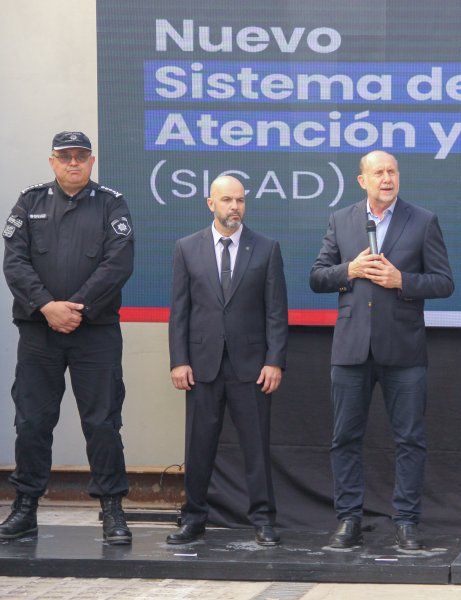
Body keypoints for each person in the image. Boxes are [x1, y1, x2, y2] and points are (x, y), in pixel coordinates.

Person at [310, 150, 453, 550]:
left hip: (404, 350)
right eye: (378, 172)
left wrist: (401, 279)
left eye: (392, 171)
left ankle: (406, 522)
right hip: (352, 348)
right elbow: (318, 277)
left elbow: (444, 282)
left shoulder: (423, 220)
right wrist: (349, 271)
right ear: (362, 181)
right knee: (345, 438)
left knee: (410, 439)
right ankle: (349, 520)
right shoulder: (341, 220)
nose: (387, 178)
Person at [1, 131, 134, 544]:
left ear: (91, 162)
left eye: (80, 157)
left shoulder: (112, 203)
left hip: (94, 333)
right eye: (65, 157)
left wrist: (74, 308)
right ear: (52, 161)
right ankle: (25, 509)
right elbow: (15, 262)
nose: (72, 163)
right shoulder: (30, 201)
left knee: (103, 422)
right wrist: (47, 307)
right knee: (33, 422)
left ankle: (112, 510)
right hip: (40, 332)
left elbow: (118, 265)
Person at [166, 175, 288, 546]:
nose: (234, 207)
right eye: (226, 200)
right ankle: (194, 519)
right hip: (201, 366)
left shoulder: (266, 248)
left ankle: (263, 521)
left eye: (239, 200)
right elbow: (180, 312)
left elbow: (276, 312)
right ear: (210, 203)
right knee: (198, 446)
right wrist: (178, 360)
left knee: (256, 445)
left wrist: (275, 361)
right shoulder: (187, 248)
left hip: (251, 367)